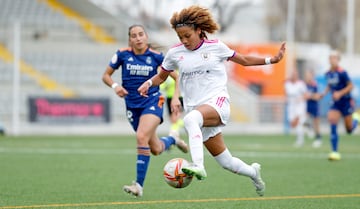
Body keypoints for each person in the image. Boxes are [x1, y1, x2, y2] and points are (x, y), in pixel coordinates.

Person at [138, 5, 286, 196]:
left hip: (218, 103)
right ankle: (253, 173)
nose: (184, 40)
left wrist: (271, 60)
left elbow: (244, 60)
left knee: (190, 119)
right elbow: (162, 76)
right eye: (180, 37)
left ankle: (198, 165)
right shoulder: (175, 53)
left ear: (199, 30)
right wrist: (148, 83)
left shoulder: (216, 47)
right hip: (198, 110)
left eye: (187, 36)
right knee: (226, 162)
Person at [102, 24, 189, 197]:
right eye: (134, 35)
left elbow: (177, 76)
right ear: (130, 39)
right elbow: (106, 75)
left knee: (141, 136)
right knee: (156, 149)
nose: (138, 38)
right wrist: (115, 86)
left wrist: (177, 98)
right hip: (132, 106)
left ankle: (138, 186)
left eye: (141, 34)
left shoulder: (156, 56)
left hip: (153, 101)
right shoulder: (122, 54)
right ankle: (173, 139)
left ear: (146, 37)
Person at [320, 50, 359, 161]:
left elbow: (351, 86)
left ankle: (356, 120)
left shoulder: (342, 72)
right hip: (335, 103)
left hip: (346, 102)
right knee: (332, 122)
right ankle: (334, 152)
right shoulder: (327, 73)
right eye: (330, 58)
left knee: (349, 130)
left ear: (338, 60)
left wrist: (340, 93)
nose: (332, 60)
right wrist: (323, 93)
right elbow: (329, 85)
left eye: (334, 58)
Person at [284, 70, 307, 147]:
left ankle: (300, 140)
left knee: (298, 122)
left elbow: (306, 95)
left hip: (299, 106)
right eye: (292, 74)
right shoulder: (287, 84)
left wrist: (300, 98)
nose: (293, 76)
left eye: (295, 75)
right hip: (291, 106)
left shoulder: (301, 84)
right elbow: (286, 94)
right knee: (292, 123)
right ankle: (307, 126)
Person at [304, 70, 322, 148]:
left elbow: (318, 96)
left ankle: (318, 139)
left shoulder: (315, 85)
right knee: (304, 121)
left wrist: (310, 96)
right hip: (306, 106)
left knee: (316, 123)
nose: (308, 77)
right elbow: (303, 95)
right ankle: (309, 129)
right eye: (307, 75)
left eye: (309, 75)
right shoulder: (304, 85)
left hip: (314, 106)